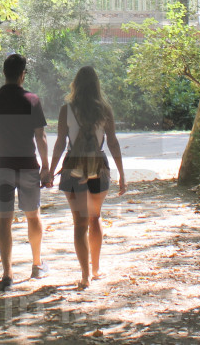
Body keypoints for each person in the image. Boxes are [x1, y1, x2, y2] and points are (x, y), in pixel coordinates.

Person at [50, 65, 126, 290]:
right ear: (96, 86)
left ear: (75, 85)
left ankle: (85, 276)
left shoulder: (66, 110)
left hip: (73, 165)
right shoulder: (105, 110)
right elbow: (112, 142)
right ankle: (96, 267)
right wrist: (121, 174)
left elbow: (60, 144)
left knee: (80, 223)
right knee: (95, 217)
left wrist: (49, 170)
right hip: (99, 166)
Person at [0, 53, 51, 291]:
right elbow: (40, 137)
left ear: (5, 73)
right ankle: (36, 264)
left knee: (4, 219)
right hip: (27, 166)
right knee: (33, 215)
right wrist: (46, 166)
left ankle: (7, 273)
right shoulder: (31, 100)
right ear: (23, 74)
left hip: (0, 165)